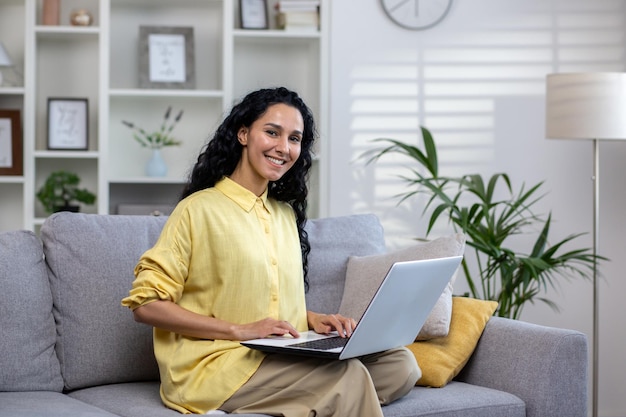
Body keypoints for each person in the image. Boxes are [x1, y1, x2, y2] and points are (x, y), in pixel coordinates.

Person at [121, 87, 420, 416]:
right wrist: (239, 330)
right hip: (216, 366)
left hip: (280, 354)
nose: (284, 147)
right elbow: (146, 305)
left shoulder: (284, 214)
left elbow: (263, 299)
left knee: (399, 365)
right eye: (272, 132)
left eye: (294, 139)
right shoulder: (197, 210)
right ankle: (329, 396)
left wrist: (313, 319)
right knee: (348, 377)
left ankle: (310, 400)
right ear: (244, 133)